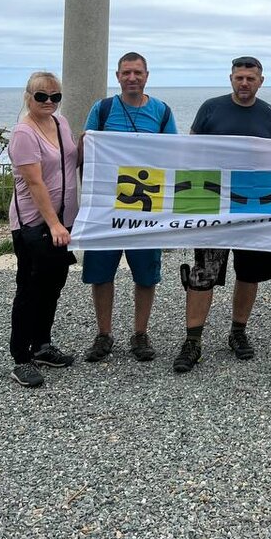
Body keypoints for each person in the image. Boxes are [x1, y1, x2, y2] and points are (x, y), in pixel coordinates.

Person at [173, 56, 271, 374]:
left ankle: (238, 332)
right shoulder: (211, 108)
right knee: (203, 273)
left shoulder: (270, 114)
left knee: (249, 274)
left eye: (250, 78)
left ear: (261, 81)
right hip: (214, 205)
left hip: (256, 206)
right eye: (239, 77)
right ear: (231, 78)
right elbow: (189, 151)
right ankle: (192, 341)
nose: (244, 83)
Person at [79, 52, 178, 364]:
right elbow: (86, 149)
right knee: (100, 272)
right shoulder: (103, 108)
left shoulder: (161, 111)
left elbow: (174, 154)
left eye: (137, 72)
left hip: (145, 206)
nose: (132, 78)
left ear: (147, 75)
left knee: (146, 275)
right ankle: (104, 333)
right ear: (118, 76)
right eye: (126, 73)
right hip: (106, 207)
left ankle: (140, 334)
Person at [7, 71, 79, 388]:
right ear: (28, 97)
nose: (49, 101)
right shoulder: (24, 133)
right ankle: (21, 357)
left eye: (55, 96)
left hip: (62, 222)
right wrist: (52, 224)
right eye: (41, 96)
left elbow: (72, 160)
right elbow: (35, 183)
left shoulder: (61, 124)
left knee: (53, 284)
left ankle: (43, 345)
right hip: (34, 224)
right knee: (30, 288)